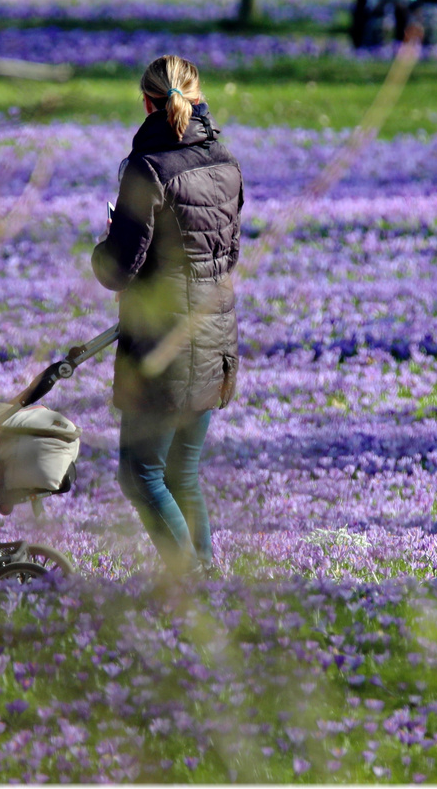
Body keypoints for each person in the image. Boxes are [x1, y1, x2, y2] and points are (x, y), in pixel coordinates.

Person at [91, 55, 244, 578]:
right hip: (216, 337)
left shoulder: (147, 168)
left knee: (141, 474)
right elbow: (229, 254)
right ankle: (207, 579)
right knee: (182, 472)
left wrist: (105, 243)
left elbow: (118, 269)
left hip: (163, 346)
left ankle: (189, 581)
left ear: (147, 101)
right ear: (196, 96)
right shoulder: (224, 161)